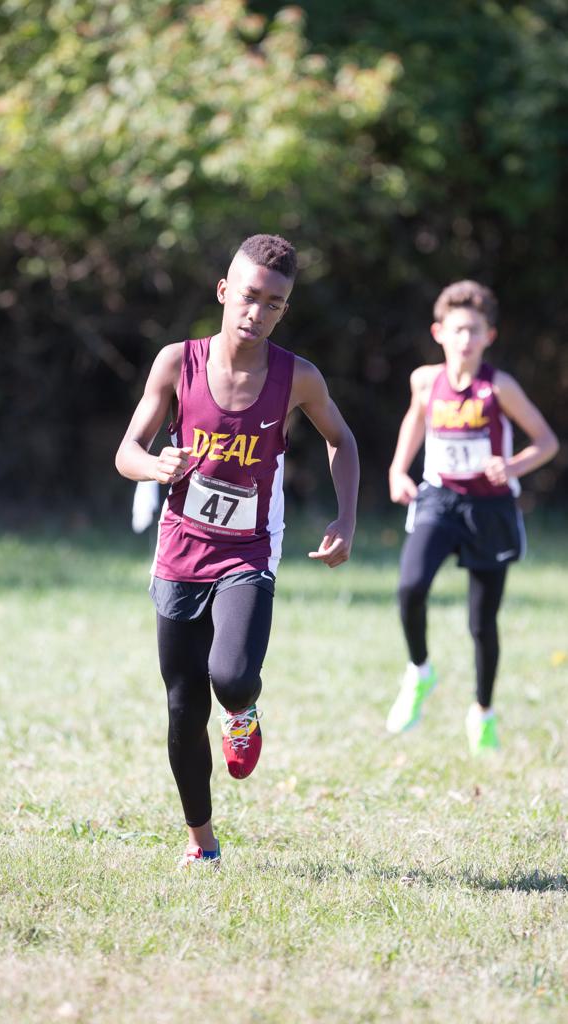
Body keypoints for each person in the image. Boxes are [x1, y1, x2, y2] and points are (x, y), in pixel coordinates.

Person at [115, 234, 359, 865]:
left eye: (273, 304)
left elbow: (342, 440)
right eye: (248, 297)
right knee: (180, 706)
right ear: (225, 293)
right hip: (179, 553)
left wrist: (347, 518)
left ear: (284, 309)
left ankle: (243, 711)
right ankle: (203, 843)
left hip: (248, 551)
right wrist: (155, 465)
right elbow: (126, 452)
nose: (257, 313)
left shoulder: (297, 377)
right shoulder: (177, 363)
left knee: (231, 675)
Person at [386, 280, 558, 754]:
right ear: (439, 332)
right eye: (458, 329)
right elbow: (415, 420)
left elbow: (546, 442)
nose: (466, 339)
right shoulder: (425, 380)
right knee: (409, 587)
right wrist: (399, 470)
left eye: (475, 331)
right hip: (439, 501)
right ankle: (419, 671)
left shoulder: (498, 387)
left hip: (490, 509)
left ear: (489, 336)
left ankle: (482, 712)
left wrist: (513, 466)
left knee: (482, 623)